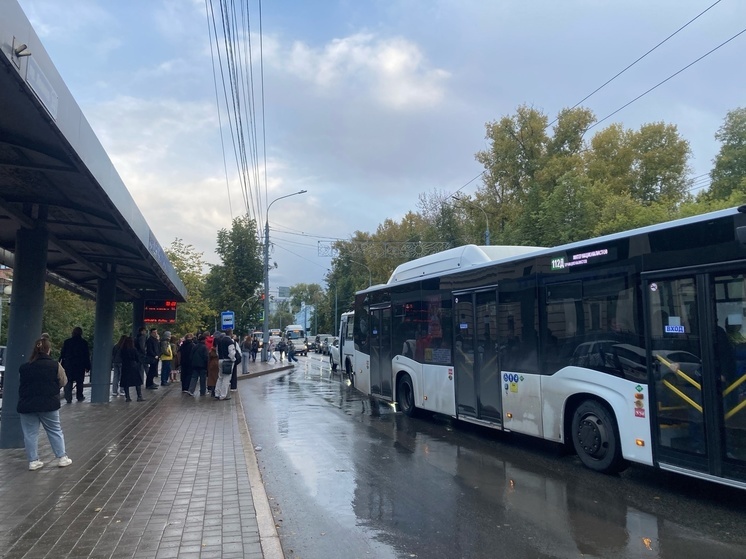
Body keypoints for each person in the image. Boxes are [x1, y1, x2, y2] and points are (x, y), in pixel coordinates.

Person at [18, 337, 73, 470]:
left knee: (30, 433)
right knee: (54, 430)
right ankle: (62, 457)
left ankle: (33, 461)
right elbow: (63, 381)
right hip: (49, 403)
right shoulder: (55, 365)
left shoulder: (25, 367)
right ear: (48, 350)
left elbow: (22, 384)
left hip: (27, 404)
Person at [59, 326, 91, 403]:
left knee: (68, 381)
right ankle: (79, 396)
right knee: (79, 381)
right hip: (80, 365)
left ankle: (68, 397)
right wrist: (88, 366)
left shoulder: (67, 342)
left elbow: (62, 353)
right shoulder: (84, 343)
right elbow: (86, 355)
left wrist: (61, 363)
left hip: (68, 364)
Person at [119, 336, 145, 402]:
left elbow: (121, 357)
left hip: (125, 366)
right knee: (137, 382)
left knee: (125, 382)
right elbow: (137, 358)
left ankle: (127, 397)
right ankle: (139, 396)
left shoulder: (122, 350)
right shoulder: (133, 349)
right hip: (133, 366)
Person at [215, 328, 236, 400]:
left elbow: (217, 351)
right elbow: (231, 352)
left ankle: (217, 393)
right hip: (227, 361)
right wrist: (233, 359)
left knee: (220, 377)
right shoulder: (230, 341)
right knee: (226, 378)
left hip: (220, 360)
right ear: (231, 333)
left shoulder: (220, 341)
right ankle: (223, 395)